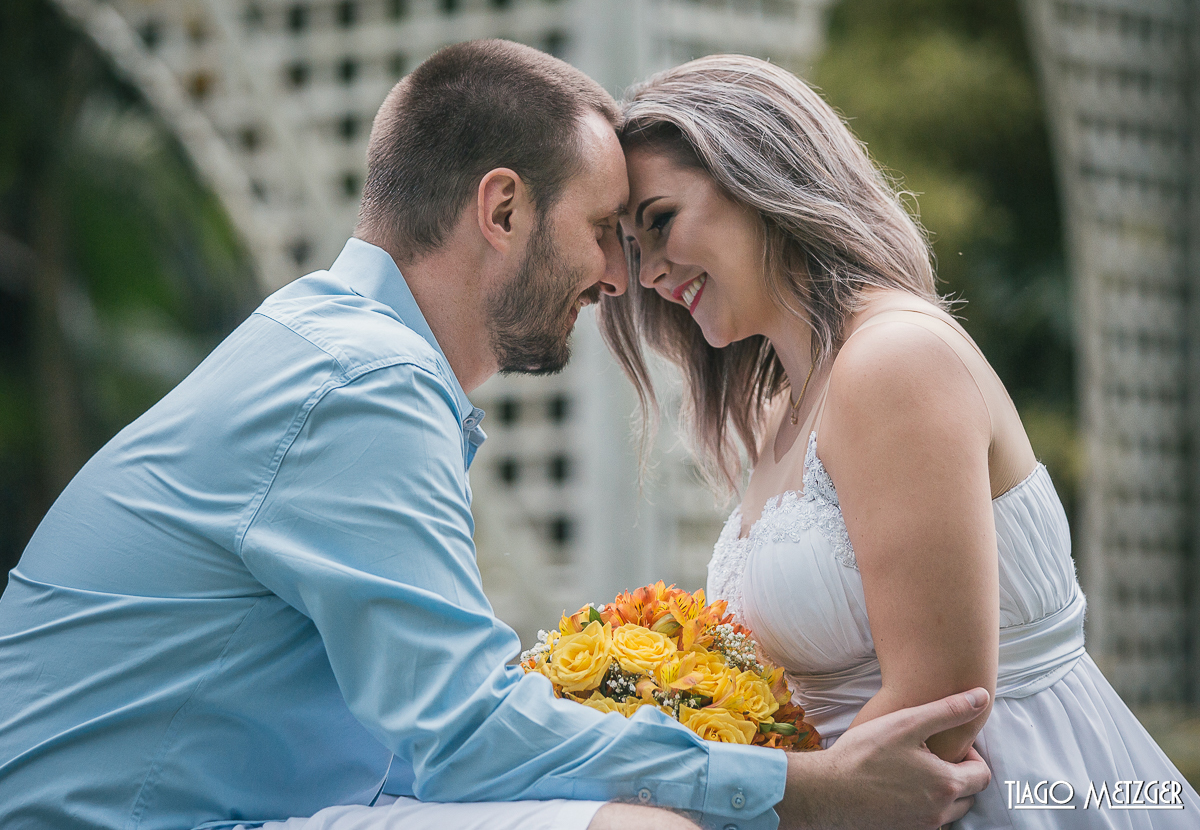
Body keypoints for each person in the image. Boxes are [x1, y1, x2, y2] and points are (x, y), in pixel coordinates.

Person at [0, 40, 992, 830]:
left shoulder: (336, 348)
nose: (620, 280)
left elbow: (421, 737)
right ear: (504, 208)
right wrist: (794, 787)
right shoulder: (363, 382)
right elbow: (461, 731)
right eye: (606, 228)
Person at [601, 53, 1200, 828]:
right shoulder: (784, 404)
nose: (647, 272)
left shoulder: (893, 361)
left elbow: (939, 714)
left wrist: (714, 794)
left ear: (760, 174)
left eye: (659, 221)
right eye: (630, 244)